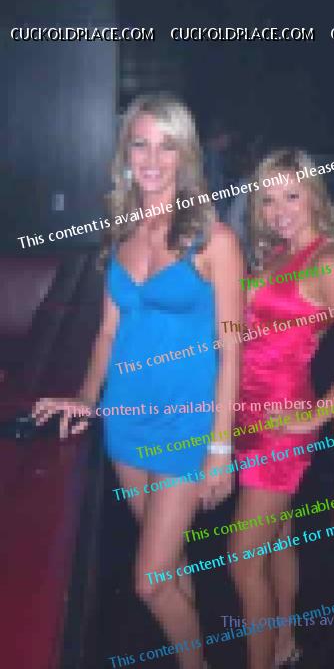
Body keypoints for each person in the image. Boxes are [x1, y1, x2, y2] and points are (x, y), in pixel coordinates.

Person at [33, 93, 243, 669]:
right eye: (140, 144)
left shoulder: (216, 241)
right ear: (125, 154)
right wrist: (85, 397)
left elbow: (231, 349)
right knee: (169, 567)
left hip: (186, 423)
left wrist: (220, 448)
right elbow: (107, 334)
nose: (152, 159)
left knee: (149, 581)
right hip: (125, 419)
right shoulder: (121, 232)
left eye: (165, 146)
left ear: (186, 155)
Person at [229, 149, 334, 669]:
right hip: (249, 413)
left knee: (242, 560)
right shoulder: (275, 254)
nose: (279, 210)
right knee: (277, 538)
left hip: (281, 424)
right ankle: (284, 642)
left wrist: (316, 415)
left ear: (314, 196)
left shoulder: (326, 260)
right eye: (268, 200)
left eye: (291, 196)